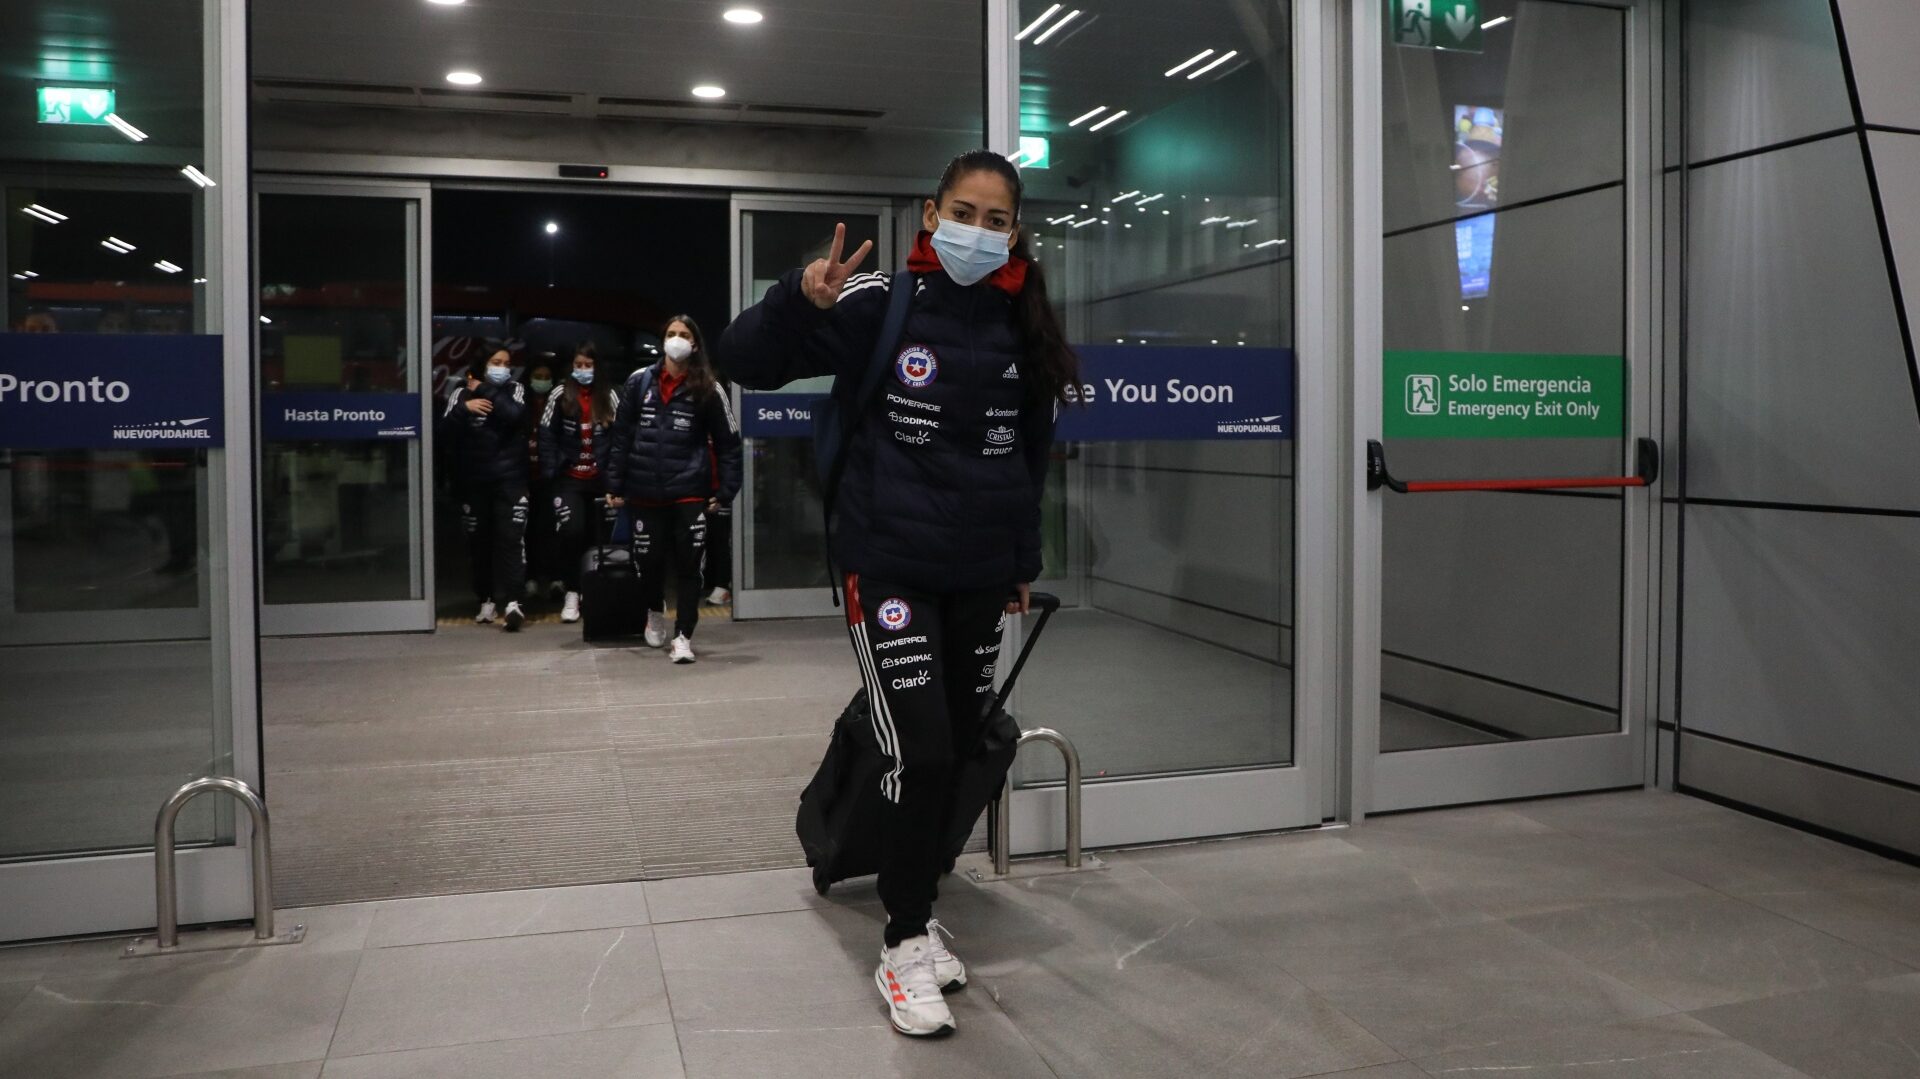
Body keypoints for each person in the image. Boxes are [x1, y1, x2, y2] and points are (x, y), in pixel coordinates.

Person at [718, 149, 1076, 1038]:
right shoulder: (881, 304)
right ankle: (904, 940)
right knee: (916, 746)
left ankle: (916, 914)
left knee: (952, 752)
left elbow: (1030, 462)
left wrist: (1022, 565)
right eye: (964, 212)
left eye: (997, 221)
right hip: (888, 570)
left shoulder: (1021, 322)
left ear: (1017, 231)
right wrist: (797, 298)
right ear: (930, 212)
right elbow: (741, 359)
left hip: (980, 576)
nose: (979, 233)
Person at [605, 315, 742, 663]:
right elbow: (620, 436)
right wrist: (614, 482)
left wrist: (726, 490)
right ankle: (654, 609)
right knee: (648, 563)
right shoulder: (639, 382)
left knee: (689, 565)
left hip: (689, 492)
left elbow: (729, 442)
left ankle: (683, 635)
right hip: (644, 491)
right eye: (671, 334)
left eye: (683, 335)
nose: (676, 339)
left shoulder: (709, 387)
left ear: (695, 344)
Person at [439, 348, 531, 630]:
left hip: (510, 481)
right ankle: (486, 600)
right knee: (479, 543)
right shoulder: (460, 392)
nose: (502, 367)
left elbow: (516, 416)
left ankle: (514, 602)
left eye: (506, 364)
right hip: (474, 482)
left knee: (511, 540)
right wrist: (465, 409)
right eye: (495, 362)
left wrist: (488, 391)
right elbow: (443, 432)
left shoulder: (516, 390)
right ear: (483, 363)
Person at [537, 342, 620, 624]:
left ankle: (593, 592)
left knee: (600, 540)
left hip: (601, 480)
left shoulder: (609, 396)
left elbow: (621, 437)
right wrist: (554, 471)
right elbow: (546, 435)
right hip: (570, 480)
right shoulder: (561, 394)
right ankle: (571, 592)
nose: (583, 370)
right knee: (572, 533)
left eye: (588, 365)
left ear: (597, 367)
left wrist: (616, 479)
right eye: (578, 365)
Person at [523, 358, 559, 603]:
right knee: (528, 530)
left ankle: (556, 579)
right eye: (538, 375)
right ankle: (531, 579)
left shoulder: (557, 402)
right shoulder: (522, 403)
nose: (542, 381)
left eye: (547, 377)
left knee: (553, 530)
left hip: (551, 478)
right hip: (525, 476)